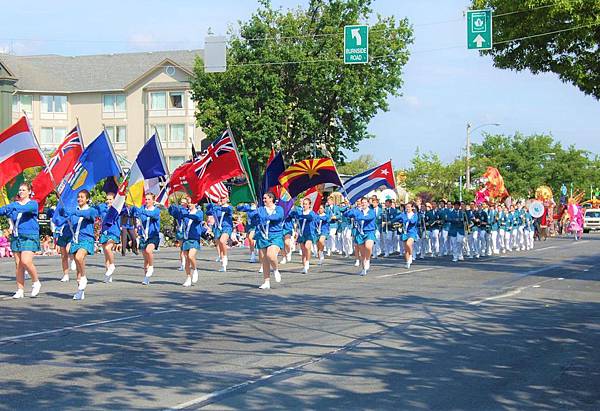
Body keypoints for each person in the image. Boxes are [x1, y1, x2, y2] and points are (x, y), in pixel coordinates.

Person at [0, 183, 42, 298]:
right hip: (16, 236)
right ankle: (20, 290)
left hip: (29, 236)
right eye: (20, 190)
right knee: (18, 264)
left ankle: (36, 282)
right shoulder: (14, 205)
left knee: (26, 261)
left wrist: (11, 207)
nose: (21, 192)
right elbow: (2, 211)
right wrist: (6, 209)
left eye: (23, 190)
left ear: (29, 192)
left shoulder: (33, 204)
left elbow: (23, 209)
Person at [60, 189, 98, 300]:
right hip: (75, 240)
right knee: (77, 270)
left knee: (79, 257)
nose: (79, 199)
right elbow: (65, 218)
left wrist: (73, 212)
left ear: (87, 199)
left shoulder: (91, 210)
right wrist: (62, 211)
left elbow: (86, 215)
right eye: (78, 197)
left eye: (82, 197)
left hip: (86, 239)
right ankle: (80, 292)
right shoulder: (74, 210)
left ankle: (84, 277)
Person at [169, 197, 207, 287]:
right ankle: (188, 278)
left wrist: (186, 215)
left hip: (194, 238)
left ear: (195, 204)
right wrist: (173, 207)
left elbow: (197, 218)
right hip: (186, 238)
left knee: (191, 256)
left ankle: (195, 269)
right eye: (188, 203)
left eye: (191, 202)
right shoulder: (185, 211)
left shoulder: (199, 212)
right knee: (186, 259)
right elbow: (173, 213)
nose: (189, 204)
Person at [255, 192, 284, 289]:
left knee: (270, 255)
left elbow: (278, 217)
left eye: (265, 198)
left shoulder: (278, 209)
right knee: (264, 260)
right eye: (263, 198)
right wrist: (247, 209)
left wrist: (266, 217)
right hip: (263, 236)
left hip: (275, 235)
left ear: (271, 199)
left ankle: (276, 270)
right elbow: (252, 215)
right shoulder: (261, 209)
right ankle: (266, 282)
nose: (263, 200)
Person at [344, 197, 376, 276]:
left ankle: (368, 260)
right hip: (359, 233)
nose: (363, 204)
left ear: (368, 203)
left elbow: (368, 218)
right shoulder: (358, 211)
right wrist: (349, 208)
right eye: (362, 202)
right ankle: (363, 268)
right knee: (362, 254)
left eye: (365, 202)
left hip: (369, 232)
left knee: (368, 247)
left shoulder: (371, 211)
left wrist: (357, 217)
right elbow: (346, 214)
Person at [134, 193, 161, 285]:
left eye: (149, 199)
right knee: (145, 259)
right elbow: (136, 213)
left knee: (149, 250)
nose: (147, 201)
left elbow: (152, 215)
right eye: (146, 199)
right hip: (143, 236)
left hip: (153, 235)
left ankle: (152, 266)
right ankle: (146, 277)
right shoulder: (142, 208)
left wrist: (142, 211)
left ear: (153, 200)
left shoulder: (156, 210)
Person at [96, 192, 121, 283]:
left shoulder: (117, 209)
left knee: (108, 248)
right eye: (107, 199)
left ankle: (112, 265)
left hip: (114, 232)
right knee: (106, 254)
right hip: (104, 232)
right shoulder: (103, 208)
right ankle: (108, 274)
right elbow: (96, 211)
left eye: (110, 199)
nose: (108, 201)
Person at [290, 198, 318, 274]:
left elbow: (310, 217)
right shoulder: (300, 212)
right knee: (303, 251)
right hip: (301, 234)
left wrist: (301, 215)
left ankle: (308, 262)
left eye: (306, 204)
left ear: (309, 205)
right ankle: (304, 267)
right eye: (304, 204)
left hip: (309, 233)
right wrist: (294, 212)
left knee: (307, 247)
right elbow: (292, 215)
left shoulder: (311, 213)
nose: (304, 205)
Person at [206, 196, 233, 272]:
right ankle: (223, 265)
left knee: (222, 241)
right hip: (217, 228)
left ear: (227, 199)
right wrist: (210, 206)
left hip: (226, 227)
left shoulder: (229, 207)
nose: (221, 200)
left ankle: (225, 257)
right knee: (219, 245)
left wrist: (218, 207)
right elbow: (207, 212)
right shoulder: (217, 208)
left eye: (223, 198)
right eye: (220, 198)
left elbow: (227, 210)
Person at [394, 201, 419, 268]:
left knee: (408, 244)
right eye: (406, 207)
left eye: (408, 207)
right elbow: (396, 218)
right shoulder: (403, 214)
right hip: (404, 232)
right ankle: (407, 262)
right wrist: (399, 220)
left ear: (412, 207)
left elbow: (413, 222)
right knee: (405, 249)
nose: (407, 208)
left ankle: (411, 255)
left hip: (412, 232)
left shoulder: (415, 215)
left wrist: (406, 219)